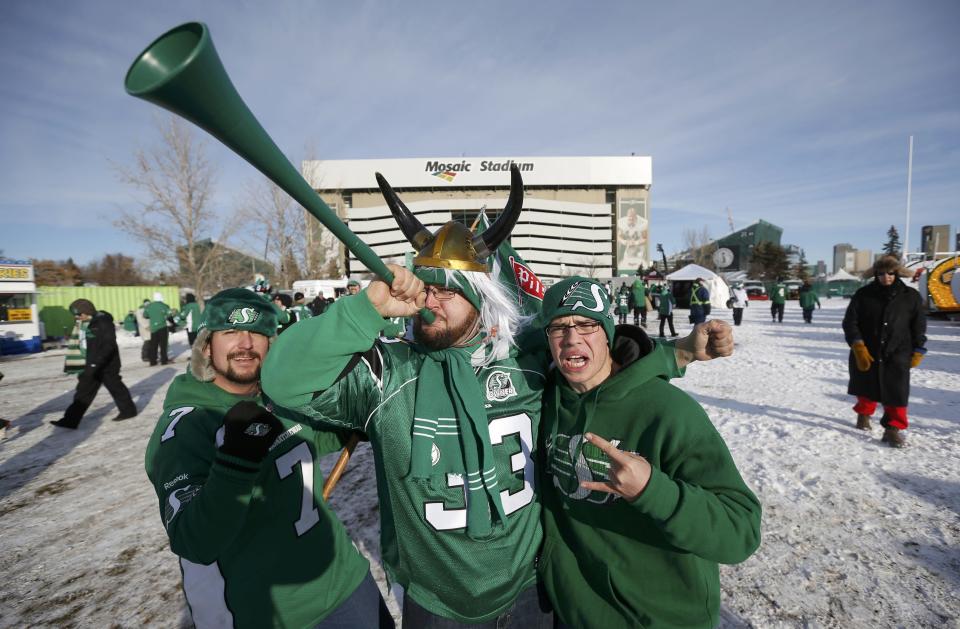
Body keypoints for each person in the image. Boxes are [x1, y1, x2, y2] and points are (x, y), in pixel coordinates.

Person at [262, 173, 733, 627]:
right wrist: (366, 308)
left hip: (531, 591)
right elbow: (284, 381)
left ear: (481, 304)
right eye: (428, 289)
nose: (433, 301)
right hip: (439, 603)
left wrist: (677, 353)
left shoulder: (526, 364)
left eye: (449, 292)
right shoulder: (386, 373)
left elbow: (603, 377)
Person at [144, 288, 391, 628]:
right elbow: (193, 540)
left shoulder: (278, 395)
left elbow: (312, 438)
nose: (245, 344)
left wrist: (357, 420)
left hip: (345, 583)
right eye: (230, 332)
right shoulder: (186, 427)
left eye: (257, 332)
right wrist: (235, 464)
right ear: (206, 345)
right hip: (266, 613)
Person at [536, 277, 761, 628]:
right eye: (559, 327)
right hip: (572, 611)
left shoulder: (668, 411)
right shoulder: (546, 398)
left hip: (656, 617)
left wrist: (653, 491)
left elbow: (741, 532)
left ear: (608, 333)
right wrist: (680, 350)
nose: (572, 339)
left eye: (586, 325)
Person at [842, 255, 927, 447]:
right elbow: (850, 322)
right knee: (866, 386)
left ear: (896, 273)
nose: (886, 277)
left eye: (890, 273)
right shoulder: (863, 294)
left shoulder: (911, 296)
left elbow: (919, 325)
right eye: (881, 273)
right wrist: (858, 345)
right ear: (876, 274)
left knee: (897, 391)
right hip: (867, 349)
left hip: (898, 351)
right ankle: (864, 414)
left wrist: (919, 348)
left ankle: (892, 429)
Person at [51, 299, 137, 429]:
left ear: (87, 311)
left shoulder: (103, 322)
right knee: (83, 391)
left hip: (107, 364)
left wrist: (95, 364)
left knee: (116, 387)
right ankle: (70, 420)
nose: (77, 317)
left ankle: (128, 411)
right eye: (75, 315)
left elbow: (109, 345)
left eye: (79, 314)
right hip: (91, 362)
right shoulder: (84, 323)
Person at [145, 292, 172, 365]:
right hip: (162, 327)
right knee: (163, 345)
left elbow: (145, 315)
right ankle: (164, 360)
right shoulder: (164, 306)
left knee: (153, 345)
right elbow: (169, 314)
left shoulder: (149, 306)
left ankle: (152, 361)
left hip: (153, 329)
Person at [135, 298, 152, 362]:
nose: (148, 304)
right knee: (147, 342)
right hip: (144, 328)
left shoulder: (149, 309)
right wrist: (146, 326)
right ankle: (144, 356)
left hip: (150, 327)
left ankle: (150, 355)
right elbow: (140, 320)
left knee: (151, 342)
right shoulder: (140, 310)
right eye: (147, 303)